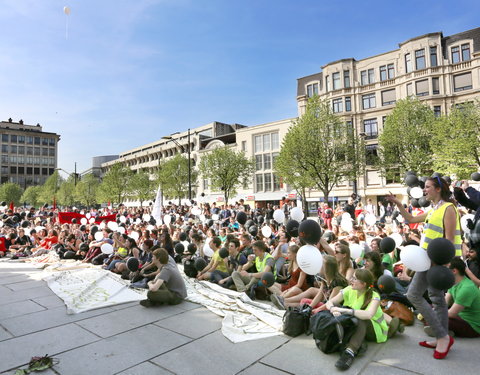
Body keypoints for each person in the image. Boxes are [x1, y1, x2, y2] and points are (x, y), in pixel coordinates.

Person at [386, 176, 460, 359]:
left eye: (427, 187)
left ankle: (442, 336)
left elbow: (450, 240)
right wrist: (398, 203)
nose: (424, 190)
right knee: (434, 297)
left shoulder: (448, 208)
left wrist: (440, 262)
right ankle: (441, 336)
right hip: (429, 260)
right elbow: (410, 219)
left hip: (437, 261)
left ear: (438, 189)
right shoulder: (434, 209)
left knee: (419, 295)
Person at [326, 269, 390, 371]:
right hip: (358, 325)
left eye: (355, 278)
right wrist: (333, 309)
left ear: (363, 284)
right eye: (352, 277)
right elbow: (330, 302)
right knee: (345, 312)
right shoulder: (349, 289)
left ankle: (350, 352)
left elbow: (368, 315)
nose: (351, 280)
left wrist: (343, 310)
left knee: (361, 318)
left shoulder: (375, 296)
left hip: (376, 330)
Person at [441, 257, 480, 338]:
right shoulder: (454, 282)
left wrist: (433, 313)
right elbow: (444, 303)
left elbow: (451, 313)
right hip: (460, 318)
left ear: (454, 271)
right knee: (431, 309)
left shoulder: (467, 288)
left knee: (436, 317)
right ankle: (445, 331)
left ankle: (441, 330)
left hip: (473, 327)